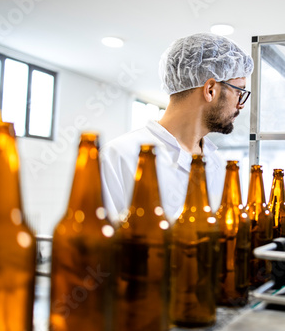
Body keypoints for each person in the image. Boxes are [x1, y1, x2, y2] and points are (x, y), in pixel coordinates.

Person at [100, 32, 254, 222]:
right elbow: (99, 244)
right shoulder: (120, 156)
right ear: (210, 90)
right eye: (239, 92)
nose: (241, 104)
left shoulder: (219, 165)